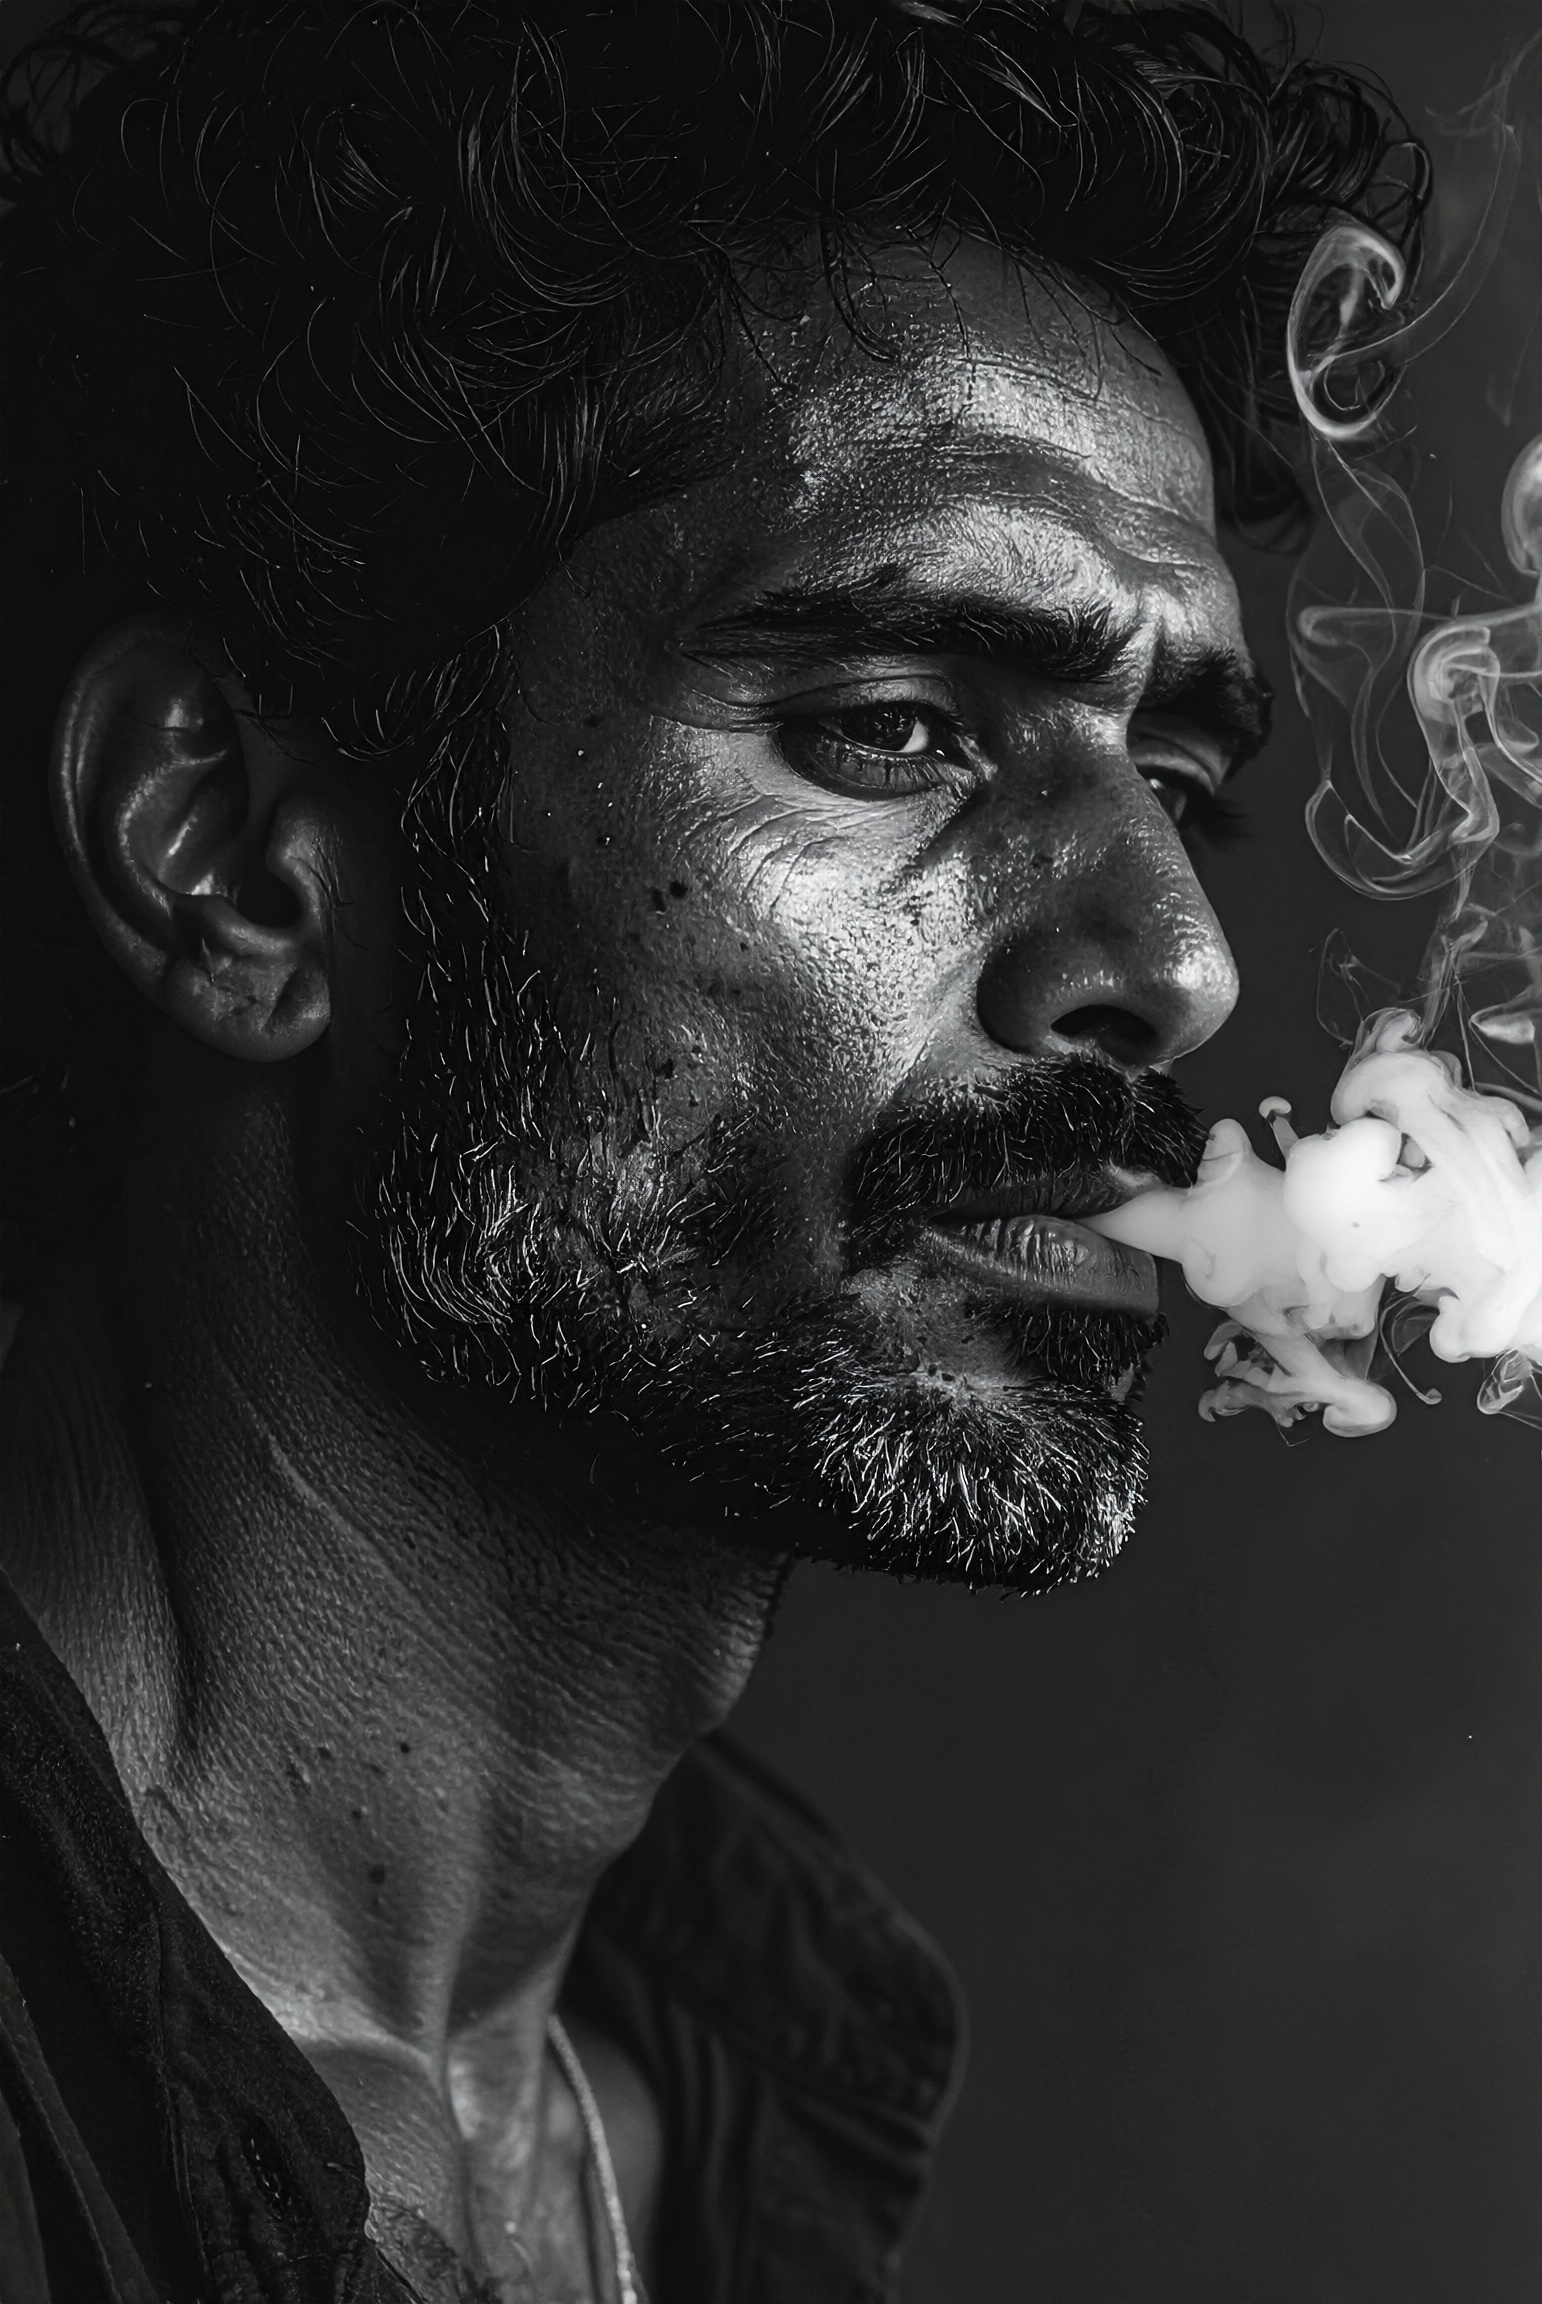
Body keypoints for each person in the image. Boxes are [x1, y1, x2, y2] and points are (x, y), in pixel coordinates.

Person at [0, 3, 1422, 2297]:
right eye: (890, 727)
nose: (1166, 966)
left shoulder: (736, 2103)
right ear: (235, 861)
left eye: (1173, 777)